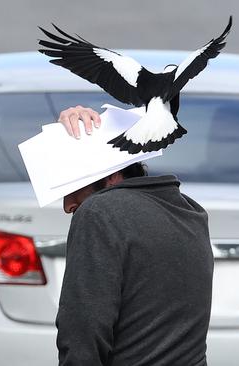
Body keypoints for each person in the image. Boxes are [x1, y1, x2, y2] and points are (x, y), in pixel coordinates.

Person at [55, 105, 214, 366]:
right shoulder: (188, 211)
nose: (68, 205)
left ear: (112, 176)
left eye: (74, 187)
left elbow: (83, 330)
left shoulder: (101, 212)